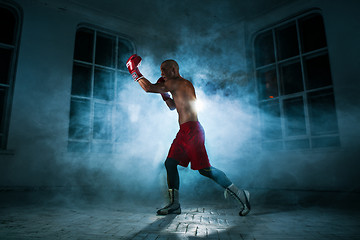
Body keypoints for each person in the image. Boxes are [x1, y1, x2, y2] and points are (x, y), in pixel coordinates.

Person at [126, 54, 251, 216]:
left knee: (205, 170)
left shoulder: (179, 82)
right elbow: (172, 106)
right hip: (184, 131)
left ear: (174, 69)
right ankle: (174, 205)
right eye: (160, 70)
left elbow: (148, 88)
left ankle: (241, 194)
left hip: (193, 131)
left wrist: (133, 71)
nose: (162, 73)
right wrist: (165, 95)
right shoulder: (174, 85)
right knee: (170, 163)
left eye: (164, 69)